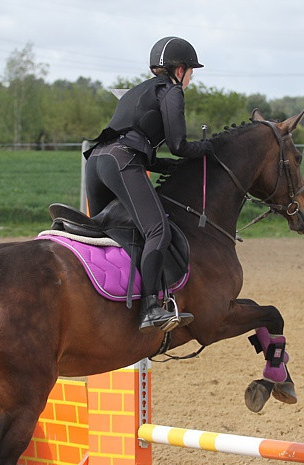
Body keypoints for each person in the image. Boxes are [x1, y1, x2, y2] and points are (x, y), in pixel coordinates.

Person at [83, 37, 212, 333]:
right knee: (157, 230)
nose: (191, 78)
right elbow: (179, 145)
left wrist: (169, 166)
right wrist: (206, 148)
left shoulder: (137, 91)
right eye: (191, 71)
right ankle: (151, 307)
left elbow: (136, 143)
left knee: (104, 233)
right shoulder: (171, 92)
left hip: (97, 161)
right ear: (179, 70)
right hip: (121, 161)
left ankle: (103, 305)